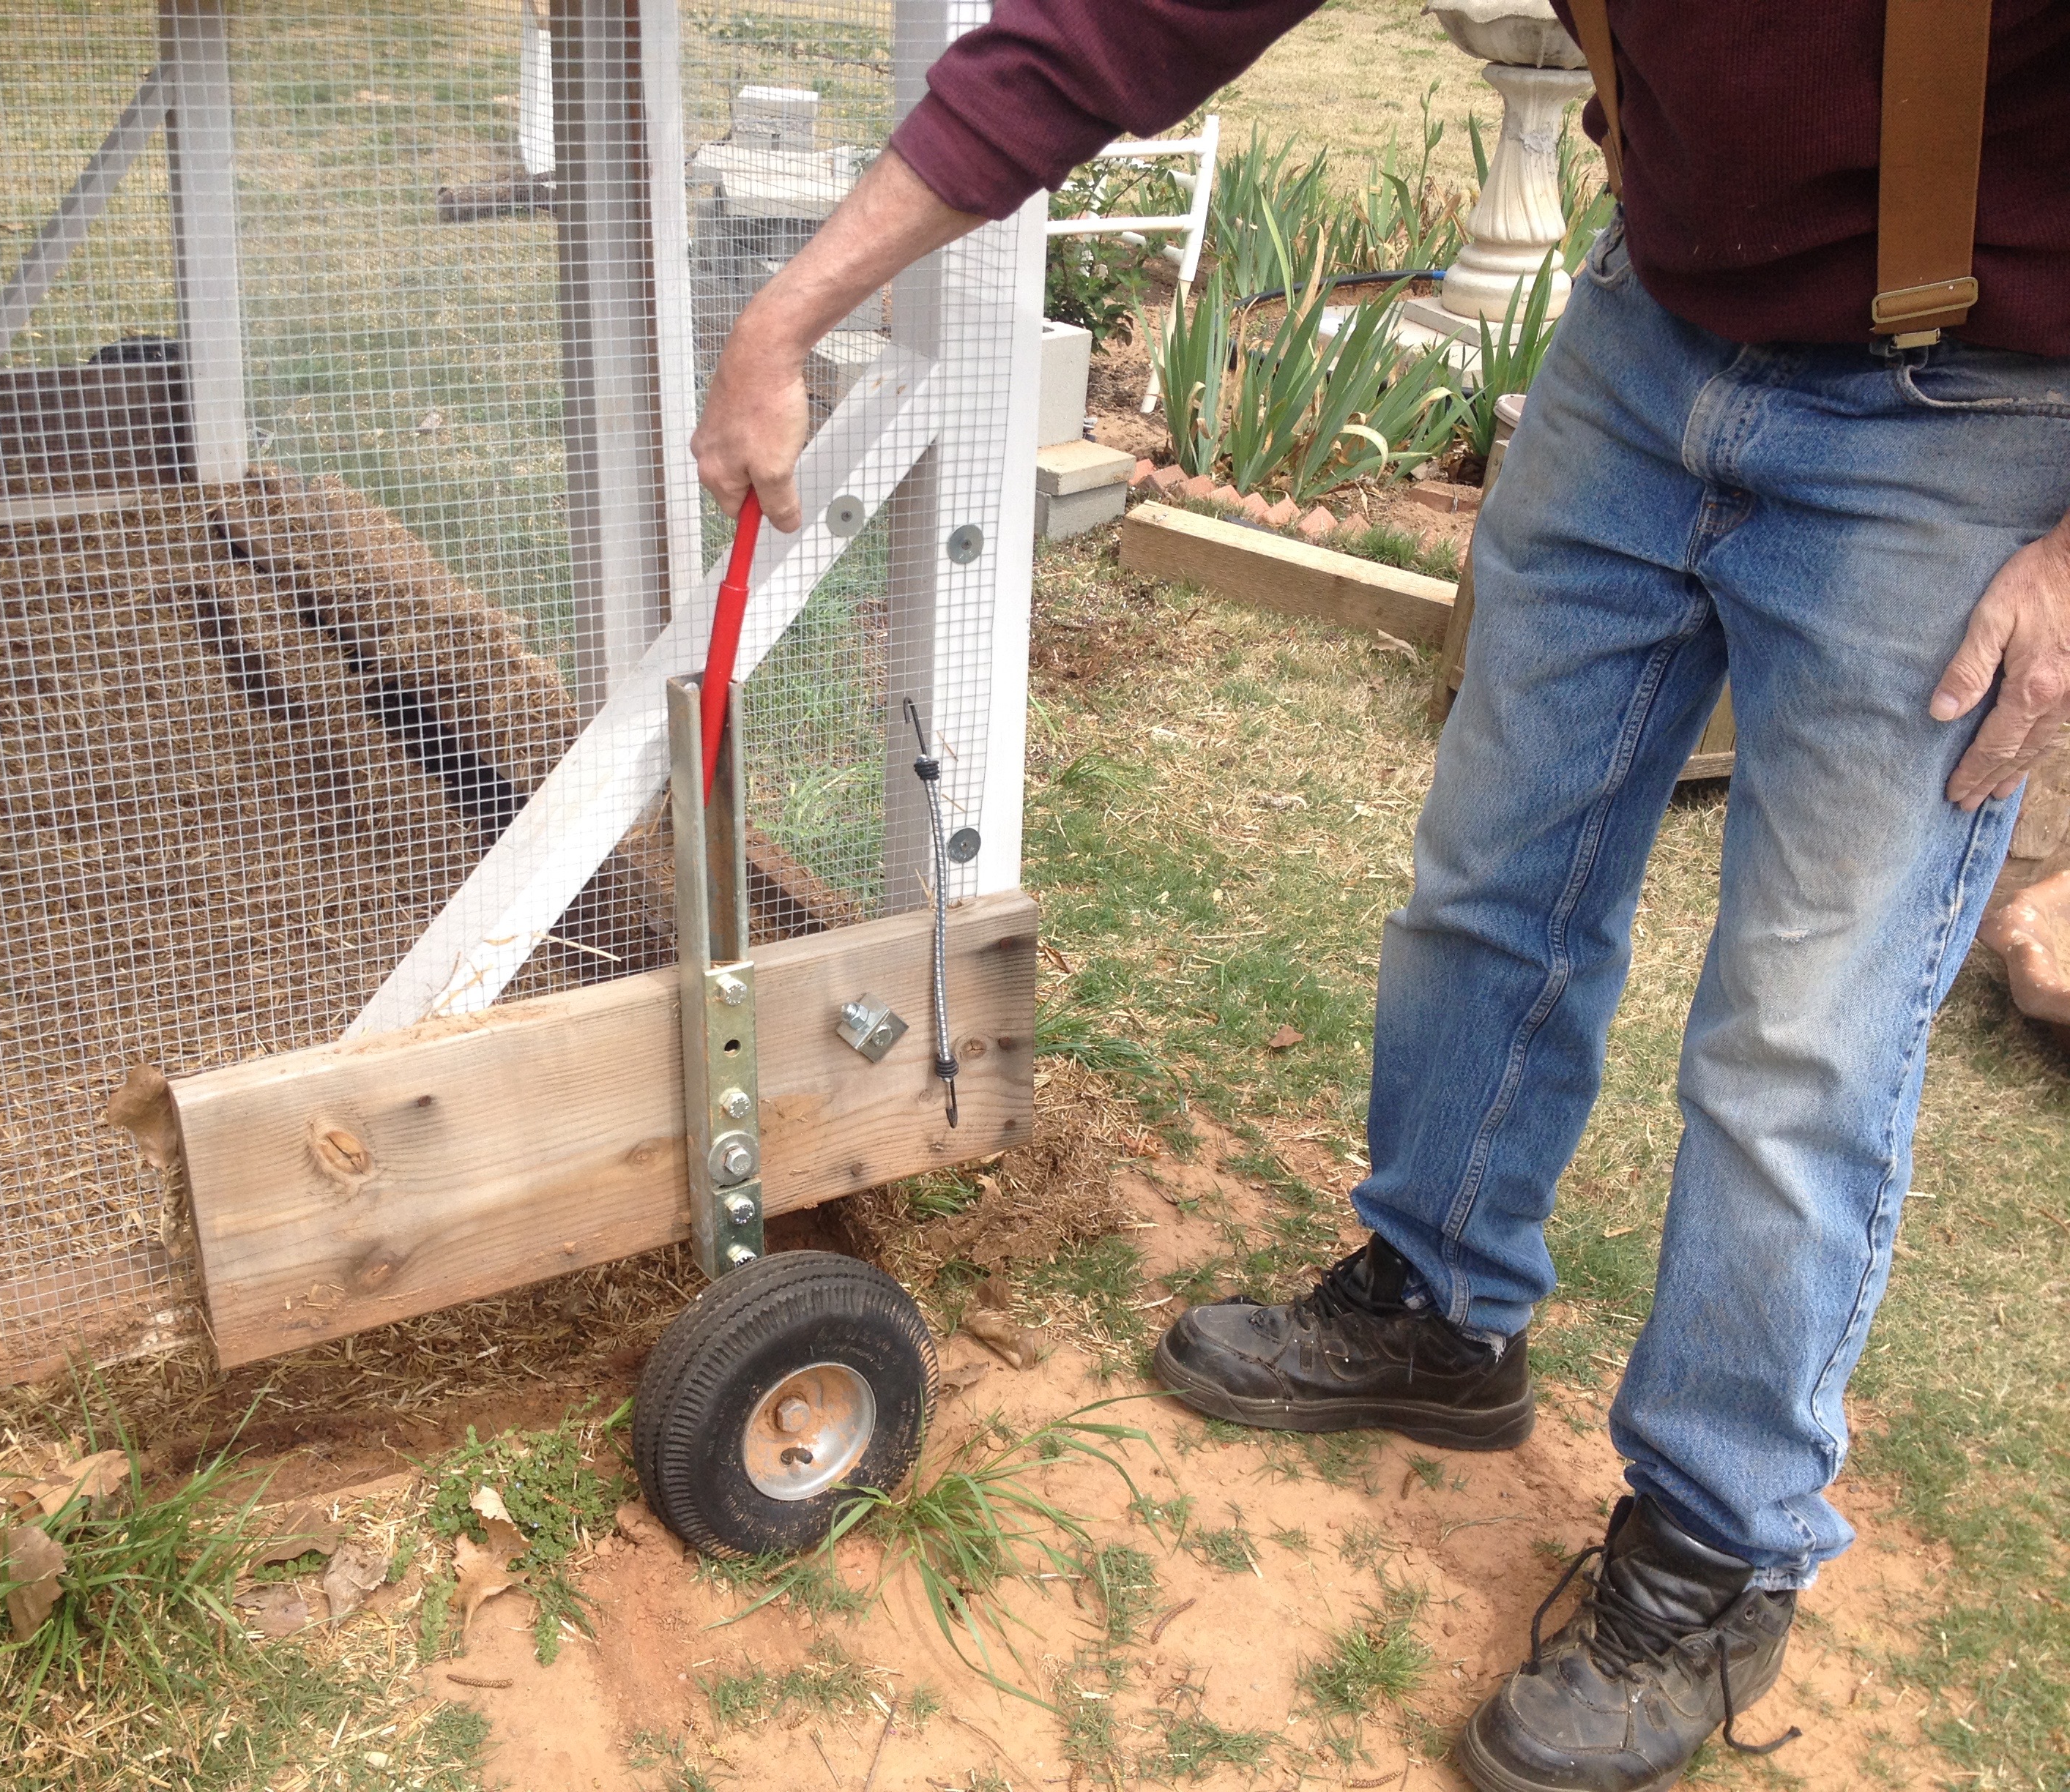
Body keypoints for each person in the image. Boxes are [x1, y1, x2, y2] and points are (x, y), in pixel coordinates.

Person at [690, 4, 2070, 1788]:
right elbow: (1124, 23)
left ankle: (1723, 1544)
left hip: (1963, 421)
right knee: (1494, 884)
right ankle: (1439, 1307)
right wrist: (794, 306)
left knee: (1802, 1037)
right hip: (1649, 344)